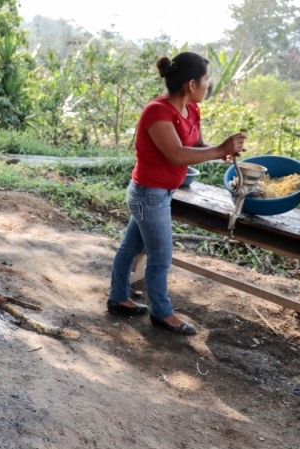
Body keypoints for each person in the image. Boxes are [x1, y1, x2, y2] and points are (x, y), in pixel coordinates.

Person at [107, 52, 246, 336]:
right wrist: (220, 149)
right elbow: (177, 154)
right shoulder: (157, 112)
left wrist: (221, 149)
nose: (209, 85)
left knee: (131, 248)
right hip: (148, 194)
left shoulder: (192, 110)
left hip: (161, 193)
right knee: (160, 256)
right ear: (192, 84)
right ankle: (162, 313)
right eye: (207, 79)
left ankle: (118, 298)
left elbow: (195, 144)